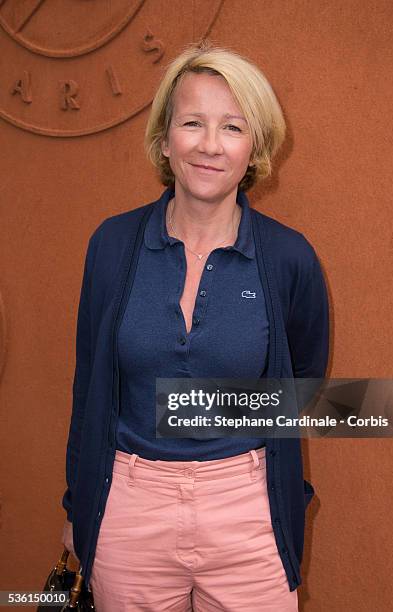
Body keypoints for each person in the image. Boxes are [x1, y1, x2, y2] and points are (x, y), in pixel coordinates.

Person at [61, 40, 329, 611]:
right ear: (165, 138)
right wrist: (77, 508)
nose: (210, 145)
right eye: (192, 123)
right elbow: (89, 387)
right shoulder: (111, 244)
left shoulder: (290, 258)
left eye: (233, 127)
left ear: (254, 147)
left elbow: (303, 390)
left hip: (248, 512)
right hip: (128, 508)